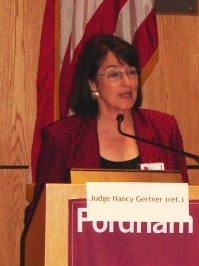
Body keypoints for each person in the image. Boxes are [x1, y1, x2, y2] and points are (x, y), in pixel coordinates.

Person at [36, 34, 189, 184]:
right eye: (114, 74)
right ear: (92, 84)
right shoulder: (63, 137)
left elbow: (185, 197)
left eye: (132, 72)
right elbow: (44, 205)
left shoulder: (163, 129)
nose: (127, 82)